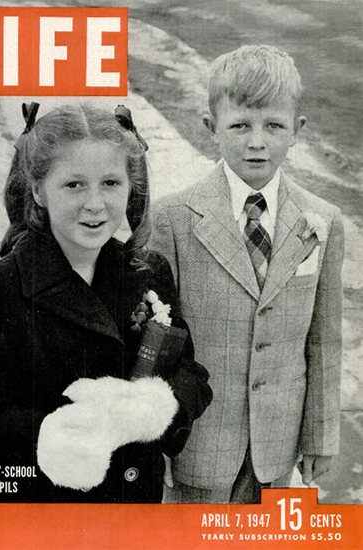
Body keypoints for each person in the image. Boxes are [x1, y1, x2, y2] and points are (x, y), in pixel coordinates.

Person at [0, 102, 213, 503]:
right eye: (74, 185)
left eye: (110, 183)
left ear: (131, 187)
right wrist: (59, 433)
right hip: (35, 509)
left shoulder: (148, 272)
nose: (95, 204)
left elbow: (191, 375)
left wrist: (151, 409)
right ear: (38, 190)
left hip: (129, 504)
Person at [149, 45, 344, 503]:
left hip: (278, 444)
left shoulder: (323, 220)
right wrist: (154, 436)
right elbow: (156, 339)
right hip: (195, 444)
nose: (257, 141)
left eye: (273, 126)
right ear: (210, 128)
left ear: (297, 131)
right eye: (240, 126)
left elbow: (323, 336)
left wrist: (320, 433)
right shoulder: (173, 218)